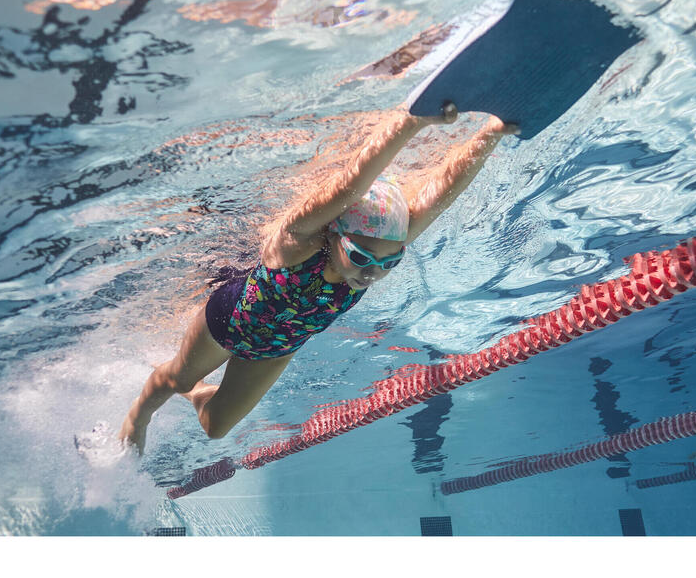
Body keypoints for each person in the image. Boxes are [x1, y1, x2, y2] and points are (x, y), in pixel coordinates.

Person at [118, 104, 517, 454]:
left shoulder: (380, 245)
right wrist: (411, 123)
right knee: (176, 376)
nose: (372, 273)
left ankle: (196, 392)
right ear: (335, 232)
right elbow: (349, 185)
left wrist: (492, 133)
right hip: (229, 321)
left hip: (277, 347)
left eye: (388, 263)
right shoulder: (295, 245)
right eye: (361, 258)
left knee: (216, 428)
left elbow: (442, 191)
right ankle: (139, 416)